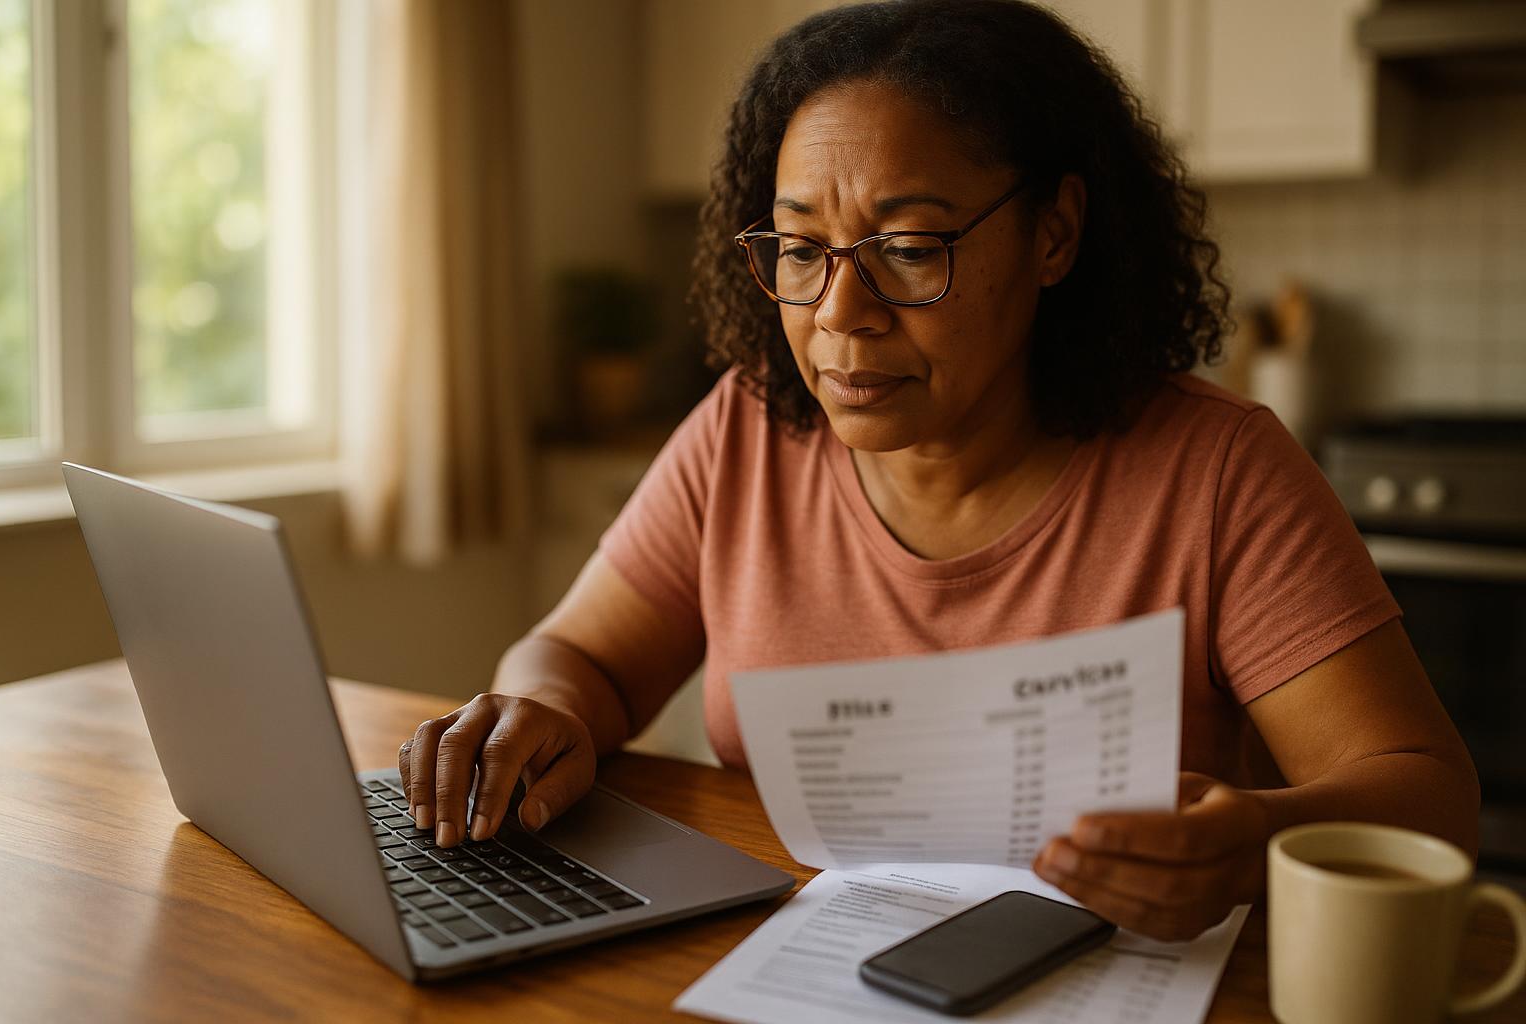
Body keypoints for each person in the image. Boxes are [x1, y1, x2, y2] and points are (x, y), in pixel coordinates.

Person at [398, 0, 1478, 942]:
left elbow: (1426, 794)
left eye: (911, 249)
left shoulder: (1216, 470)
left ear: (1054, 235)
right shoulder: (748, 430)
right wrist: (539, 709)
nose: (837, 317)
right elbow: (584, 653)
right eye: (801, 248)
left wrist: (1257, 840)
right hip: (797, 964)